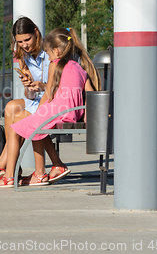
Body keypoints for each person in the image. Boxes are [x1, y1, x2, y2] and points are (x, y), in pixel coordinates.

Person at [10, 27, 101, 186]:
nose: (49, 57)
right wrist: (87, 117)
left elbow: (48, 93)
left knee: (33, 124)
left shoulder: (55, 65)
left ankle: (37, 173)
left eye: (49, 53)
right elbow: (92, 96)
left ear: (56, 52)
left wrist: (39, 111)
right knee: (36, 123)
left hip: (59, 110)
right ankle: (54, 166)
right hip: (74, 113)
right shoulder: (80, 68)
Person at [0, 16, 51, 186]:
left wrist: (42, 86)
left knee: (22, 116)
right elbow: (30, 96)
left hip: (52, 99)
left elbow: (58, 87)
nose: (24, 44)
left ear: (36, 33)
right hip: (37, 99)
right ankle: (8, 166)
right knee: (10, 107)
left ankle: (4, 168)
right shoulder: (25, 56)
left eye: (27, 39)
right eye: (20, 41)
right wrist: (29, 86)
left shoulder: (50, 53)